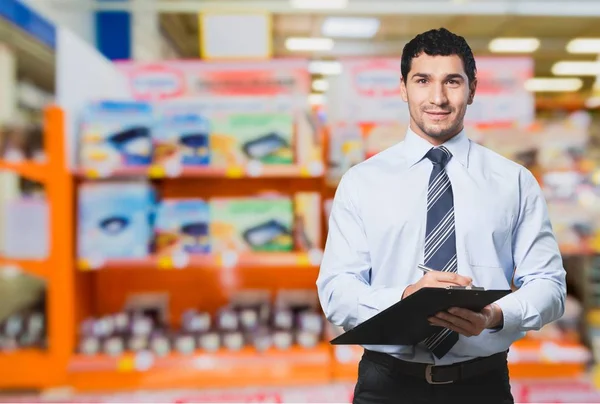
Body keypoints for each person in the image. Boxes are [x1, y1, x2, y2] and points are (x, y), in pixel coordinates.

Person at [316, 27, 566, 404]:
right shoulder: (361, 183)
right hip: (387, 386)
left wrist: (496, 315)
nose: (438, 98)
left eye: (452, 81)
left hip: (482, 385)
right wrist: (404, 298)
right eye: (422, 81)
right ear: (403, 88)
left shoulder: (514, 181)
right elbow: (336, 290)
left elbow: (550, 285)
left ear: (472, 88)